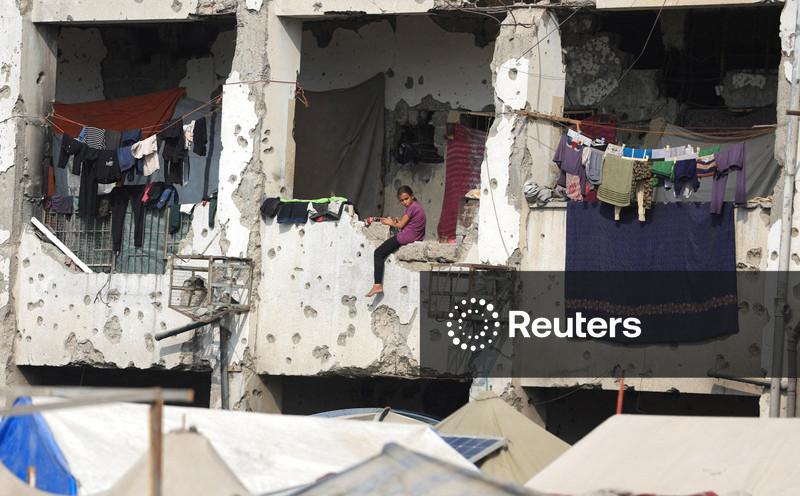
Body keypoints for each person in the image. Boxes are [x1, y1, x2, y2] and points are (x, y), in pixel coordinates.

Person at [366, 186, 426, 297]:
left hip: (406, 237)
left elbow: (400, 225)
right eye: (402, 200)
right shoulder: (417, 207)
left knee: (378, 253)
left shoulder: (412, 208)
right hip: (415, 236)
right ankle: (377, 285)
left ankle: (377, 285)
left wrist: (389, 222)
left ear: (412, 196)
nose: (404, 202)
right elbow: (405, 222)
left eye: (406, 198)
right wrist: (395, 221)